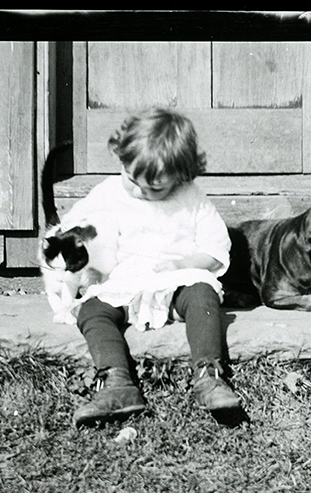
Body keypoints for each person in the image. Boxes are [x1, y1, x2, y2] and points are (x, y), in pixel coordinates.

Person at [59, 107, 242, 427]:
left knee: (202, 294)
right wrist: (92, 273)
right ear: (122, 162)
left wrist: (184, 264)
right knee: (91, 310)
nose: (141, 192)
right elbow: (91, 238)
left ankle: (209, 377)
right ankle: (117, 383)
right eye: (133, 180)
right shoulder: (110, 194)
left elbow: (216, 246)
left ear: (181, 176)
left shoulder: (192, 198)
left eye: (156, 188)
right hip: (125, 280)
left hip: (176, 281)